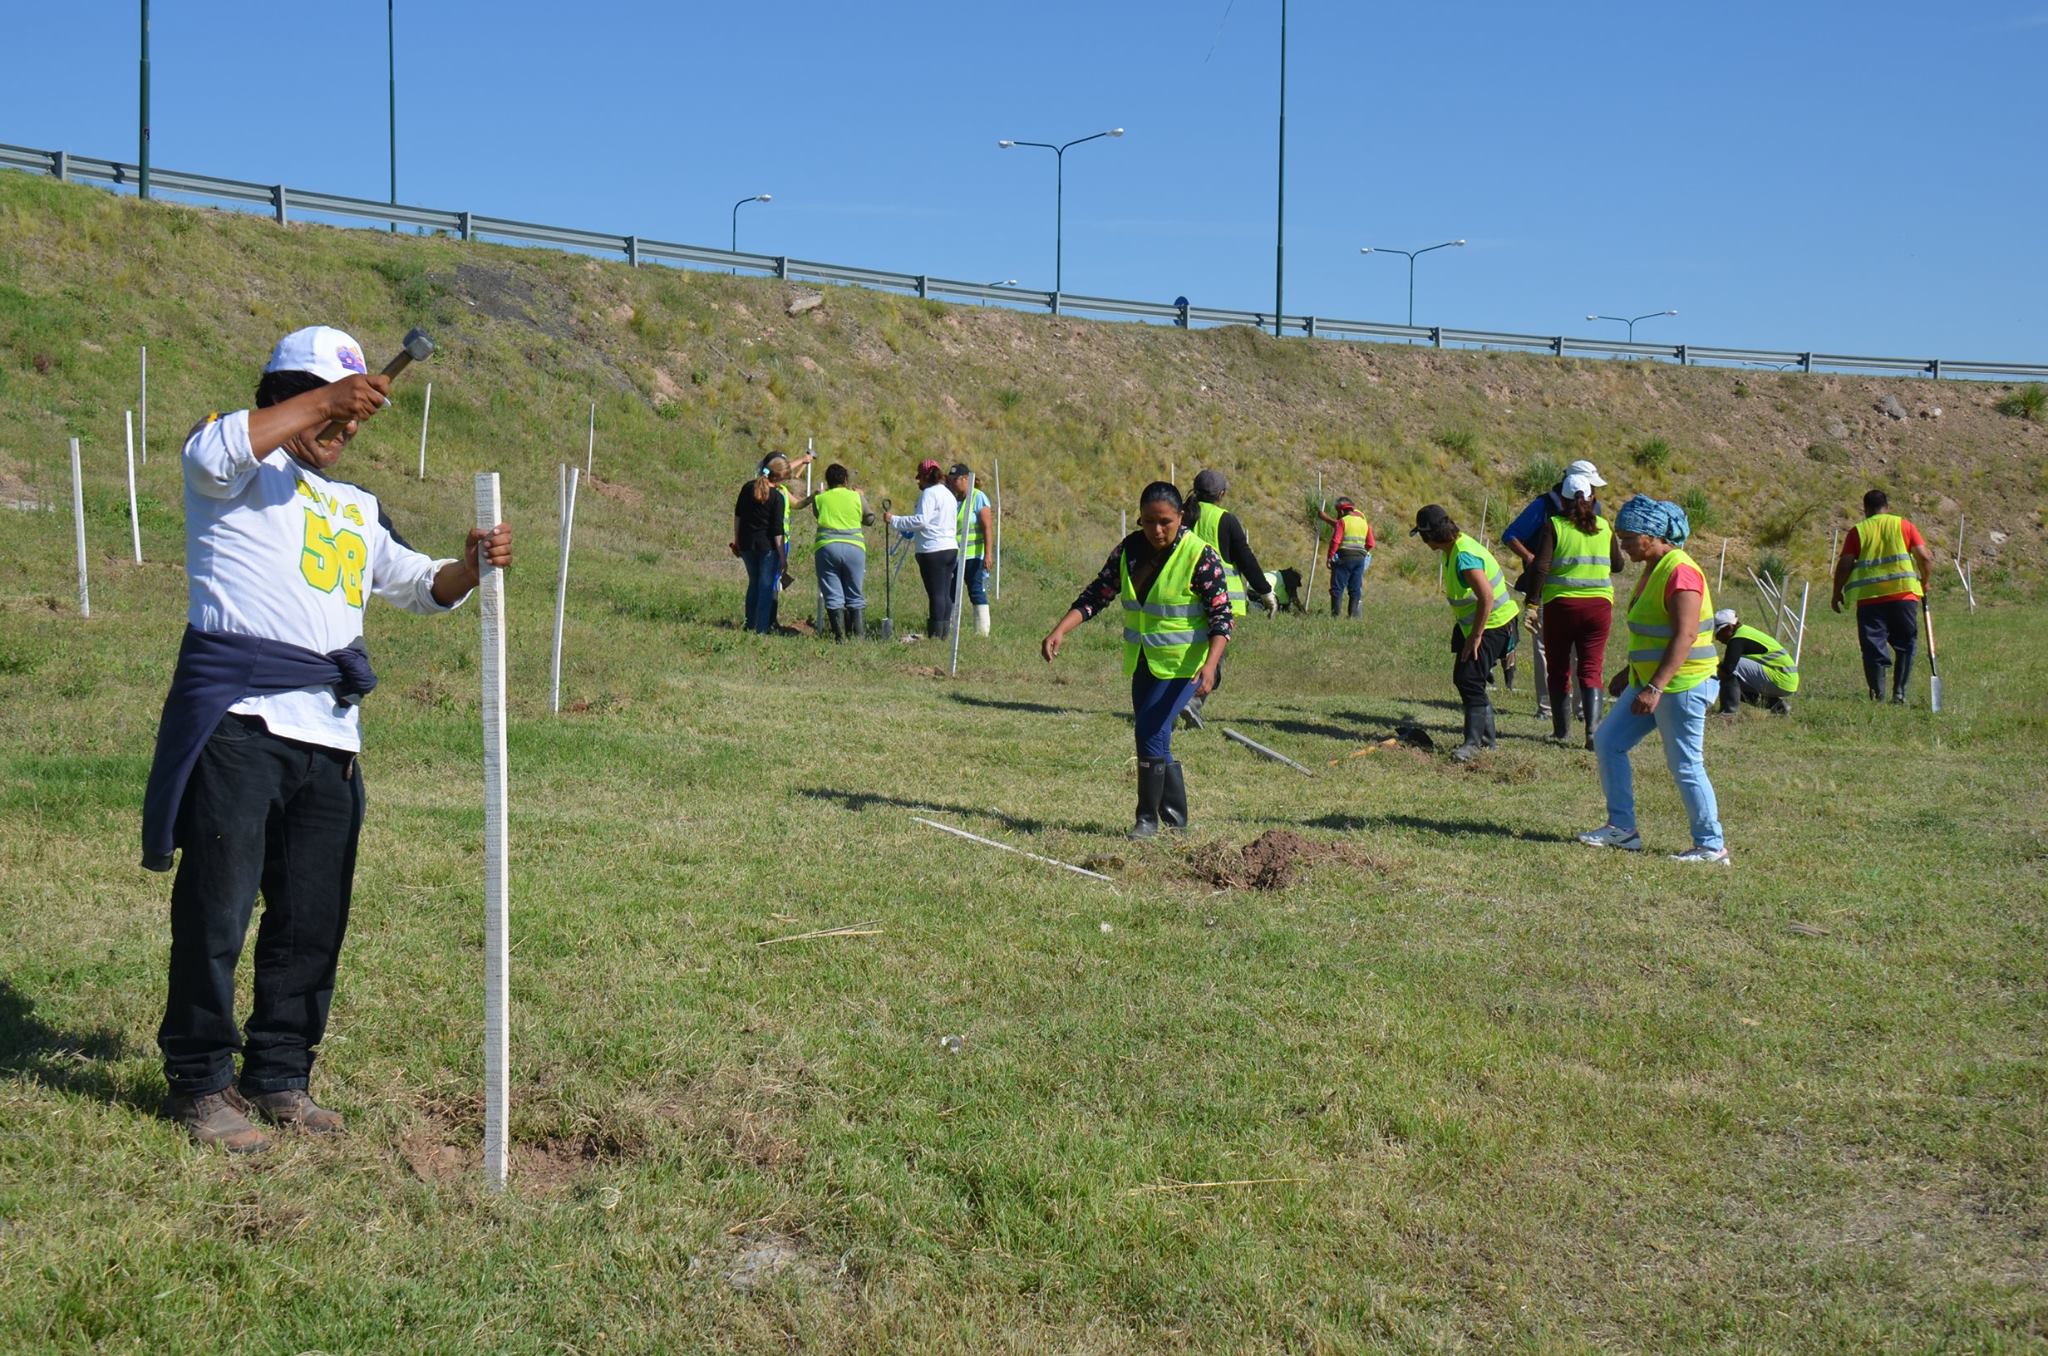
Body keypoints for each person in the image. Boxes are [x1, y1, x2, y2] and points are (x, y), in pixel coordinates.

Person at [139, 325, 513, 1152]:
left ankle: (279, 1074)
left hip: (331, 738)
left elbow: (419, 586)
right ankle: (200, 1081)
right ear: (283, 394)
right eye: (331, 412)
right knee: (218, 911)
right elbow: (212, 451)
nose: (344, 432)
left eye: (352, 421)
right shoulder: (232, 469)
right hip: (241, 723)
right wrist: (323, 399)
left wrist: (470, 564)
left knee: (312, 917)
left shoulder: (356, 507)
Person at [1042, 482, 1231, 838]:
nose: (1156, 531)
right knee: (1154, 737)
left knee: (1149, 731)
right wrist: (1061, 629)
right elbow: (1099, 593)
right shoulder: (1128, 550)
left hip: (1185, 666)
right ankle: (1176, 822)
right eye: (1147, 522)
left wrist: (1210, 665)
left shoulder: (1200, 555)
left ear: (1180, 518)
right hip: (1144, 661)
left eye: (1165, 522)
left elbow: (1222, 617)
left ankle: (1146, 819)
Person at [1578, 495, 1728, 864]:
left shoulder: (1681, 571)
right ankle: (1622, 829)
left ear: (1653, 535)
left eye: (1628, 538)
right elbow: (1653, 633)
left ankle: (1710, 845)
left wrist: (1655, 686)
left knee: (1686, 765)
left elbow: (1685, 635)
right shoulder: (1654, 568)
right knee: (1609, 741)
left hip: (1681, 686)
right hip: (1648, 682)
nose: (1623, 545)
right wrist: (1628, 674)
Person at [1520, 470, 1625, 747]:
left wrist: (1532, 602)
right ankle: (1592, 733)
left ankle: (1561, 732)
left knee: (1558, 669)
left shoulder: (1554, 525)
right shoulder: (1604, 525)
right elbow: (1618, 565)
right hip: (1599, 607)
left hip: (1561, 606)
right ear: (1592, 498)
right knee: (1591, 668)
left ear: (1563, 500)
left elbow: (1541, 566)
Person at [1412, 504, 1520, 762]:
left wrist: (1475, 636)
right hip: (1477, 623)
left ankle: (1474, 744)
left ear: (1430, 535)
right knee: (1468, 678)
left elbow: (1487, 596)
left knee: (1469, 679)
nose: (1423, 541)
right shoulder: (1453, 548)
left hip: (1493, 623)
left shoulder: (1464, 556)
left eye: (1422, 536)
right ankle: (1487, 741)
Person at [1503, 459, 1609, 719]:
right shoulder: (1544, 506)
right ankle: (1548, 708)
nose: (1594, 492)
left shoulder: (1596, 508)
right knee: (1546, 650)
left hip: (1580, 591)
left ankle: (1580, 710)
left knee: (1577, 653)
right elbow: (1511, 535)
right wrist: (1531, 558)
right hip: (1553, 590)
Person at [1180, 469, 1275, 726]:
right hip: (1221, 600)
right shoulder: (1226, 520)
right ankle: (1192, 701)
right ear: (1221, 494)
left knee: (1187, 650)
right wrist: (1265, 591)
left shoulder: (1182, 514)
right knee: (1215, 655)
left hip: (1185, 595)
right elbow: (1246, 560)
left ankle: (1177, 699)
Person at [1831, 487, 1934, 704]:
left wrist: (1836, 592)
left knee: (1872, 646)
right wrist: (1925, 582)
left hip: (1870, 600)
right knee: (1906, 645)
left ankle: (1877, 695)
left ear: (1866, 509)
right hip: (1904, 596)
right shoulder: (1903, 525)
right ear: (1887, 507)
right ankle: (1899, 693)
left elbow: (1845, 564)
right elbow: (1924, 557)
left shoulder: (1858, 531)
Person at [882, 458, 960, 639]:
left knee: (936, 594)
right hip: (950, 548)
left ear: (926, 477)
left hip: (932, 550)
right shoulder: (949, 495)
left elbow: (921, 520)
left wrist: (895, 520)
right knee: (945, 593)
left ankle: (935, 635)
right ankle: (943, 634)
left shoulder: (929, 494)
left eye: (919, 478)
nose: (918, 482)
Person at [810, 463, 873, 641]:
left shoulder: (820, 498)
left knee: (832, 592)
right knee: (854, 591)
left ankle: (840, 637)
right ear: (846, 480)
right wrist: (862, 497)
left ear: (827, 481)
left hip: (827, 547)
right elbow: (870, 519)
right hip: (854, 548)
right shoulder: (856, 497)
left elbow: (817, 514)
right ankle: (859, 638)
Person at [732, 455, 789, 634]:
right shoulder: (778, 497)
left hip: (747, 544)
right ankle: (762, 628)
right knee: (765, 586)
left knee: (753, 583)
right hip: (767, 548)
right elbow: (777, 531)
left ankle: (750, 624)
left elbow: (738, 516)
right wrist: (782, 556)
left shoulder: (748, 488)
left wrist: (737, 540)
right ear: (779, 477)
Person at [1710, 608, 1798, 714]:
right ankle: (1779, 707)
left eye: (1719, 633)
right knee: (1735, 687)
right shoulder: (1744, 632)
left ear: (1729, 627)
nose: (1717, 638)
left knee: (1731, 668)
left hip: (1782, 678)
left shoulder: (1737, 640)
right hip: (1787, 680)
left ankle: (1728, 713)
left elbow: (1727, 669)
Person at [946, 462, 996, 636]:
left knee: (975, 590)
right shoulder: (952, 499)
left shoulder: (978, 497)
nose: (951, 483)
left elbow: (987, 527)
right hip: (954, 555)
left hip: (974, 555)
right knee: (950, 591)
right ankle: (951, 630)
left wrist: (988, 554)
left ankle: (982, 632)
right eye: (949, 479)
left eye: (955, 479)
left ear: (966, 479)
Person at [1315, 496, 1374, 618]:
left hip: (1344, 557)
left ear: (1341, 511)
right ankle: (1352, 616)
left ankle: (1335, 615)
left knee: (1337, 587)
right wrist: (1361, 552)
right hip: (1360, 558)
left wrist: (1330, 557)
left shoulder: (1343, 521)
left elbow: (1336, 540)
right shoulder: (1363, 521)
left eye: (1337, 512)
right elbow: (1370, 543)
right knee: (1355, 588)